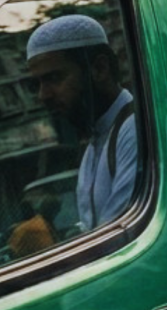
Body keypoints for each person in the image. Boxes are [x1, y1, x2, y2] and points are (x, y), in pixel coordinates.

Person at [25, 13, 141, 231]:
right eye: (37, 84)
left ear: (99, 69)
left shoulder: (134, 130)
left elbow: (116, 241)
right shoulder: (93, 148)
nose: (43, 95)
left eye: (54, 78)